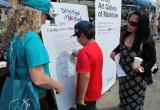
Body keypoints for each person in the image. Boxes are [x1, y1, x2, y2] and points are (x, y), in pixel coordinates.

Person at [2, 0, 63, 110]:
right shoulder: (32, 38)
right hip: (34, 97)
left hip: (18, 92)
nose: (45, 22)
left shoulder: (16, 35)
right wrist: (58, 86)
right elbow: (39, 79)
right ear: (37, 14)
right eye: (45, 16)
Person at [110, 11, 156, 110]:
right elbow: (121, 46)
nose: (129, 25)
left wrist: (142, 69)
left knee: (133, 105)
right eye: (128, 21)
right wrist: (114, 51)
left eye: (133, 24)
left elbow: (153, 63)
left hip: (136, 82)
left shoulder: (147, 42)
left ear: (141, 26)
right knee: (123, 100)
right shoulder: (126, 34)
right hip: (123, 78)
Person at [71, 20, 103, 110]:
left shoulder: (84, 52)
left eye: (77, 37)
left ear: (82, 35)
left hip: (86, 94)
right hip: (95, 90)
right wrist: (79, 56)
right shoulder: (96, 46)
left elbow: (85, 77)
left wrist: (81, 99)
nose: (77, 40)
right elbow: (92, 62)